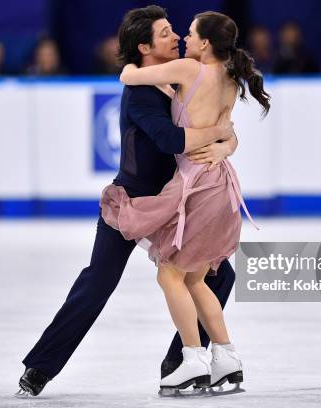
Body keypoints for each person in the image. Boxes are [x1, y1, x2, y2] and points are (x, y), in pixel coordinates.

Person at [16, 5, 238, 397]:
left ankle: (185, 361)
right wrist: (221, 133)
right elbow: (172, 141)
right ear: (145, 46)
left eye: (176, 31)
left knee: (220, 276)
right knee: (98, 282)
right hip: (133, 204)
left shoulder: (180, 81)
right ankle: (40, 367)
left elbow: (216, 126)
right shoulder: (139, 94)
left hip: (178, 203)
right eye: (167, 33)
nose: (176, 38)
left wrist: (228, 142)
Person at [100, 10, 269, 394]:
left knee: (170, 274)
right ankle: (225, 356)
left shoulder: (189, 70)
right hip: (220, 183)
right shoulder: (229, 76)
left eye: (189, 33)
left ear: (205, 43)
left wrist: (130, 59)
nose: (183, 37)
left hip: (196, 185)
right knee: (194, 278)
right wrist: (225, 140)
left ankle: (193, 359)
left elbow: (130, 75)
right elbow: (227, 131)